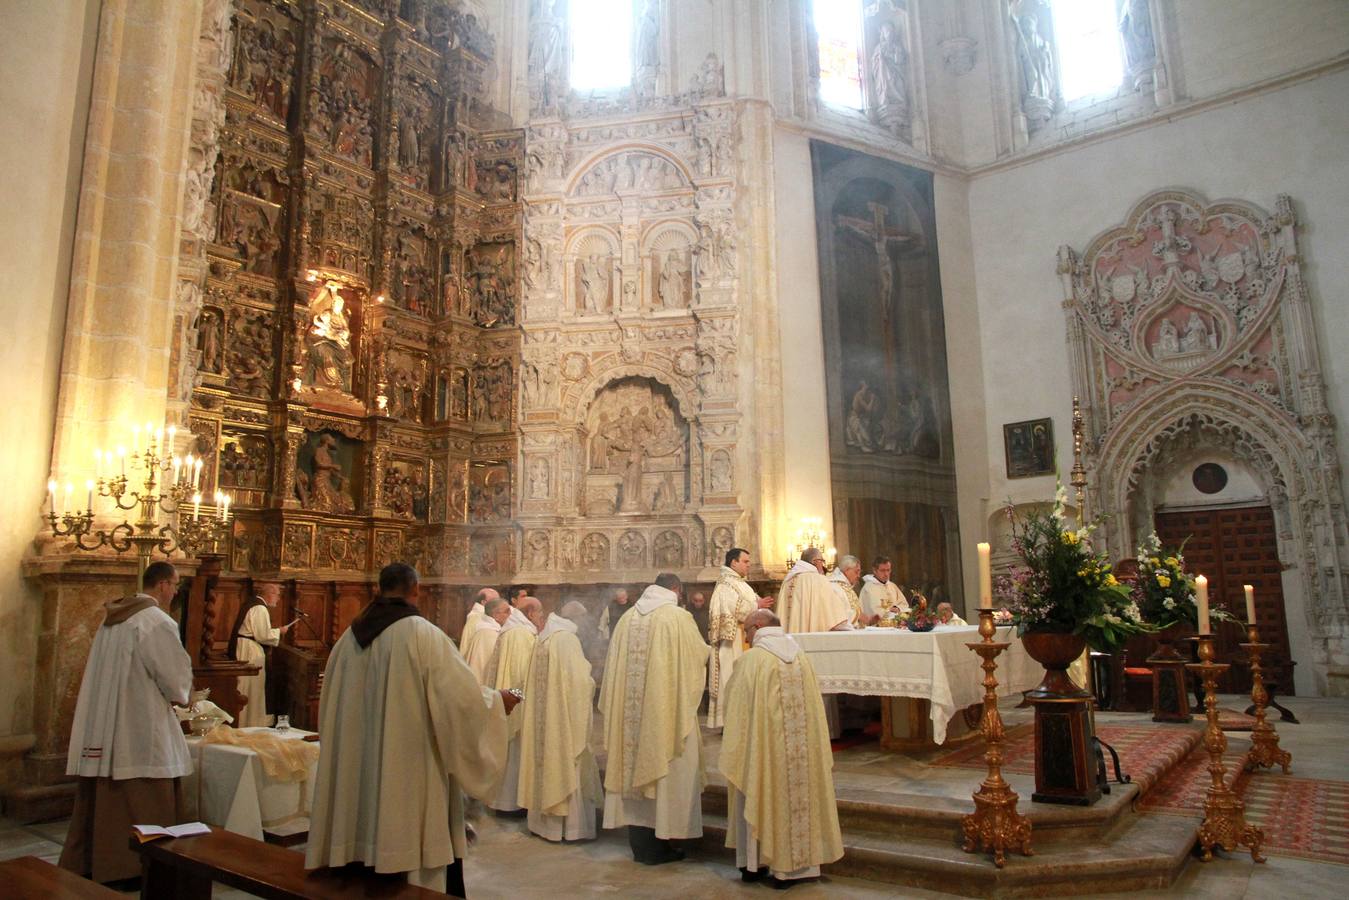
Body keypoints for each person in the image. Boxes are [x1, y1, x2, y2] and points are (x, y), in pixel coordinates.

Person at [305, 563, 518, 895]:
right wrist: (496, 702)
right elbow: (461, 700)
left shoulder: (348, 638)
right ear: (415, 589)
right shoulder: (422, 634)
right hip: (405, 775)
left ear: (380, 588)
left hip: (356, 776)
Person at [59, 562, 193, 886]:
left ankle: (97, 862)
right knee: (146, 790)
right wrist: (183, 695)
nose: (175, 592)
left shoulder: (113, 619)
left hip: (106, 723)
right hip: (139, 722)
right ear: (162, 584)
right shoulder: (156, 621)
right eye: (175, 585)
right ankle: (135, 867)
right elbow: (175, 678)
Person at [722, 610, 844, 887]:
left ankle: (756, 864)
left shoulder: (753, 660)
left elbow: (735, 707)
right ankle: (801, 869)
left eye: (747, 632)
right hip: (802, 756)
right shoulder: (801, 657)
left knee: (760, 792)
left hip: (765, 754)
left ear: (758, 627)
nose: (747, 638)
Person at [600, 574, 709, 864]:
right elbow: (695, 660)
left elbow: (611, 671)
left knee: (633, 770)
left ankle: (642, 844)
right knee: (667, 769)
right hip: (665, 715)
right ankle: (663, 842)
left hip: (629, 720)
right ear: (676, 589)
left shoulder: (626, 620)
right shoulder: (677, 618)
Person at [516, 605, 602, 842]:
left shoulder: (543, 640)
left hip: (544, 720)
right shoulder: (567, 641)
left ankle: (543, 825)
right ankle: (571, 828)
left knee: (545, 763)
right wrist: (591, 681)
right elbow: (578, 683)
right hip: (562, 720)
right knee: (566, 761)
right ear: (575, 618)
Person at [486, 596, 544, 813]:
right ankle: (511, 802)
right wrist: (525, 701)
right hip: (517, 705)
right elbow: (521, 676)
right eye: (539, 613)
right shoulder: (520, 635)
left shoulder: (515, 630)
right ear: (530, 613)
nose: (541, 618)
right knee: (515, 753)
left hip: (511, 701)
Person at [706, 548, 772, 729]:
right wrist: (756, 604)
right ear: (733, 562)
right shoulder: (726, 584)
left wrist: (759, 606)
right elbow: (734, 608)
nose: (748, 565)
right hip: (733, 641)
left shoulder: (738, 583)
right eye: (745, 561)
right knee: (731, 675)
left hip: (744, 637)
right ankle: (731, 720)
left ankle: (742, 718)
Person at [230, 582, 296, 728]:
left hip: (246, 647)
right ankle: (249, 723)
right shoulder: (260, 608)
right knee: (251, 688)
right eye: (278, 595)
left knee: (249, 686)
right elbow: (262, 635)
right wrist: (279, 631)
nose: (278, 599)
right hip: (250, 651)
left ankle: (247, 721)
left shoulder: (252, 604)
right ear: (270, 593)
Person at [778, 548, 852, 634]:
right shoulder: (818, 580)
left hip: (788, 637)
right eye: (822, 561)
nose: (822, 564)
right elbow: (836, 616)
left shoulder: (787, 581)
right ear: (815, 561)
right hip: (811, 637)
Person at [464, 597, 511, 683]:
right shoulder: (489, 634)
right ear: (496, 615)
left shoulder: (486, 629)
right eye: (507, 611)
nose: (510, 615)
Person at [859, 556, 909, 625]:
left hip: (896, 625)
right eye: (882, 570)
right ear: (874, 570)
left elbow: (904, 604)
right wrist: (889, 610)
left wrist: (897, 608)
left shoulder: (892, 586)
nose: (886, 574)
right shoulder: (868, 588)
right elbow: (872, 611)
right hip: (877, 629)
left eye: (888, 570)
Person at [459, 586, 500, 652]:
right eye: (494, 601)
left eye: (498, 600)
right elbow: (467, 643)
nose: (498, 604)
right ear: (483, 602)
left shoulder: (491, 615)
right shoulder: (476, 618)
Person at [828, 555, 864, 628]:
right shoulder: (834, 586)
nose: (858, 575)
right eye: (856, 571)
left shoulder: (846, 586)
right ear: (847, 570)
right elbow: (837, 613)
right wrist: (858, 616)